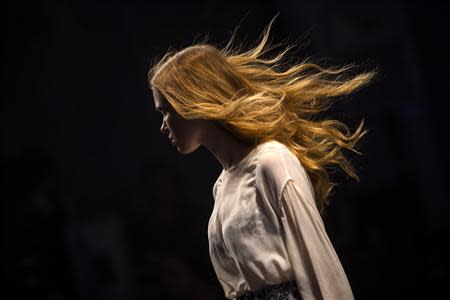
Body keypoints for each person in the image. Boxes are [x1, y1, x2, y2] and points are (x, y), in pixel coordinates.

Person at [148, 14, 377, 300]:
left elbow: (319, 263)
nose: (163, 124)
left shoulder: (271, 161)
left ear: (194, 100)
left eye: (166, 110)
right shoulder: (220, 187)